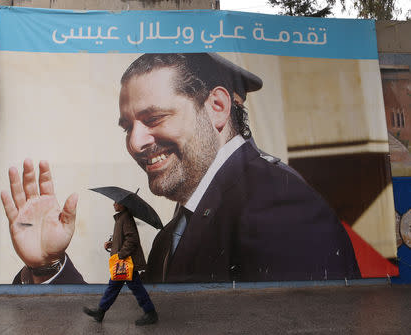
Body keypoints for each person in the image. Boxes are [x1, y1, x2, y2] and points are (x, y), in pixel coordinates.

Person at [118, 53, 361, 283]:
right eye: (127, 127)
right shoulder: (167, 238)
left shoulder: (278, 206)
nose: (134, 143)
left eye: (154, 118)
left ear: (218, 107)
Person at [83, 202, 158, 325]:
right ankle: (100, 311)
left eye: (116, 202)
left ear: (124, 205)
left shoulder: (126, 218)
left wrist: (120, 254)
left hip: (126, 262)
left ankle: (151, 313)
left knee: (135, 287)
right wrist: (112, 244)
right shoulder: (121, 217)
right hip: (122, 262)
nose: (113, 204)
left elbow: (132, 239)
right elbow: (123, 238)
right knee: (114, 286)